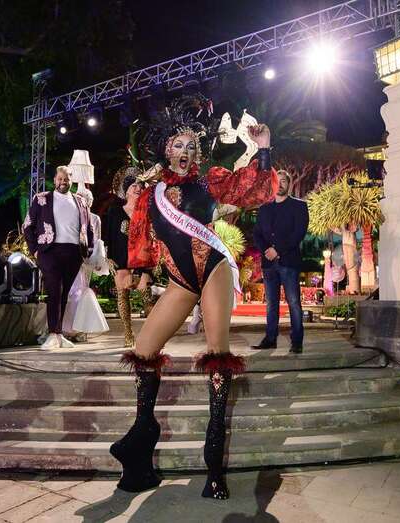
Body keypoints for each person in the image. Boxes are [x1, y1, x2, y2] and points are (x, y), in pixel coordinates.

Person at [110, 95, 276, 500]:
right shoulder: (151, 194)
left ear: (197, 152)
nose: (184, 151)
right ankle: (142, 436)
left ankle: (214, 467)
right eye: (177, 145)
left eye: (190, 145)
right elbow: (142, 239)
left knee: (218, 357)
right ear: (166, 150)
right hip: (181, 281)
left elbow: (251, 189)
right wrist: (139, 271)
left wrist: (264, 149)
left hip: (213, 270)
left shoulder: (210, 180)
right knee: (144, 351)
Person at [24, 166, 93, 349]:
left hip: (74, 252)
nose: (63, 182)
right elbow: (28, 225)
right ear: (54, 180)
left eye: (67, 179)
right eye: (60, 179)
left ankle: (59, 334)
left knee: (64, 294)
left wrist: (88, 250)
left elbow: (89, 228)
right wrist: (35, 250)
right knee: (54, 290)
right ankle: (53, 334)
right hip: (49, 251)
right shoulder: (41, 199)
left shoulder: (81, 201)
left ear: (71, 181)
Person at [252, 170, 309, 353]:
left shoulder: (299, 206)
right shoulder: (264, 209)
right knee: (271, 304)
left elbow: (298, 234)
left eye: (284, 181)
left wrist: (277, 250)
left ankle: (297, 342)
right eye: (278, 181)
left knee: (294, 302)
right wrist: (266, 251)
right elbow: (257, 234)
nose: (281, 184)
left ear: (289, 184)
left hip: (289, 262)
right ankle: (270, 339)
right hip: (269, 264)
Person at [104, 169, 152, 347]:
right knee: (123, 296)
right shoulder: (114, 211)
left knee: (147, 298)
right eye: (134, 186)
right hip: (121, 259)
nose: (138, 188)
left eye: (140, 185)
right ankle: (128, 333)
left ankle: (152, 334)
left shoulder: (147, 211)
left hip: (142, 261)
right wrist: (108, 257)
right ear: (126, 191)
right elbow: (107, 236)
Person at [61, 187, 110, 339]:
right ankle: (67, 328)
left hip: (87, 260)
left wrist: (98, 260)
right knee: (71, 291)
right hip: (71, 258)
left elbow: (98, 241)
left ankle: (79, 328)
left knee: (81, 292)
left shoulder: (95, 219)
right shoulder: (70, 216)